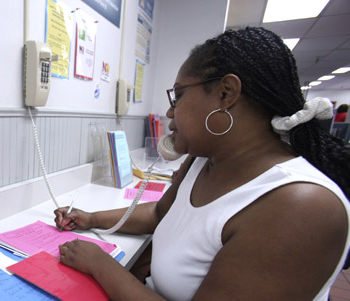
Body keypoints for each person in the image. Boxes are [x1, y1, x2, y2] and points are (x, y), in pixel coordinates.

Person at [54, 27, 350, 300]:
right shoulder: (202, 160)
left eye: (178, 95)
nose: (170, 112)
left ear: (226, 94)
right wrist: (91, 218)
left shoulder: (301, 206)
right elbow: (161, 212)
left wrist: (101, 264)